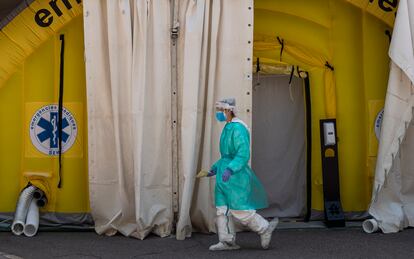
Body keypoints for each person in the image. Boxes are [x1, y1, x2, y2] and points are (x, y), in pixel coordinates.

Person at [197, 98, 278, 251]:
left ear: (229, 110)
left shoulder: (238, 129)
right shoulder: (228, 127)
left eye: (220, 110)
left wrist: (231, 169)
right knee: (222, 209)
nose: (218, 114)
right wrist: (214, 169)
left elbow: (243, 154)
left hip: (235, 176)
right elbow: (225, 157)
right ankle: (227, 241)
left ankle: (264, 228)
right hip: (224, 174)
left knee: (240, 209)